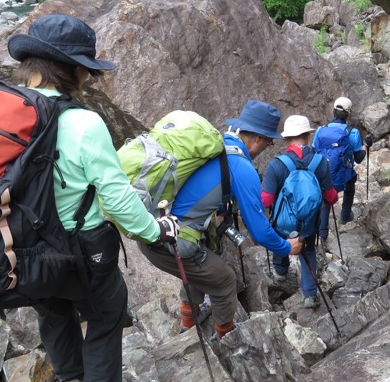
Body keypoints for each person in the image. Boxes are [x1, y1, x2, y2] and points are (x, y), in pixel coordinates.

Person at [7, 13, 179, 382]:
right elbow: (117, 197)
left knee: (51, 306)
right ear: (73, 69)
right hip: (82, 244)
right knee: (107, 310)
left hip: (23, 243)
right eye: (85, 66)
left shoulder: (8, 114)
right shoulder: (83, 123)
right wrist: (155, 231)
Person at [137, 100, 303, 339]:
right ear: (257, 138)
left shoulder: (215, 146)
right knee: (225, 281)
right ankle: (226, 338)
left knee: (201, 270)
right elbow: (259, 231)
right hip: (171, 242)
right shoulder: (242, 168)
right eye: (269, 141)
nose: (268, 146)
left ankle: (188, 325)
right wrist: (287, 247)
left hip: (152, 229)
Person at [261, 115, 338, 308]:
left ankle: (280, 273)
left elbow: (266, 200)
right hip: (309, 222)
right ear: (308, 136)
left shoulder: (277, 164)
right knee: (308, 249)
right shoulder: (321, 163)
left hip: (283, 222)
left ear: (286, 139)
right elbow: (331, 197)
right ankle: (310, 294)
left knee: (280, 241)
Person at [313, 96, 369, 242]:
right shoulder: (352, 133)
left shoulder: (320, 130)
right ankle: (345, 215)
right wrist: (366, 146)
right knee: (351, 182)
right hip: (343, 175)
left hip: (323, 173)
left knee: (325, 200)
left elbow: (314, 152)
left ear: (333, 111)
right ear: (348, 114)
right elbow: (358, 158)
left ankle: (322, 236)